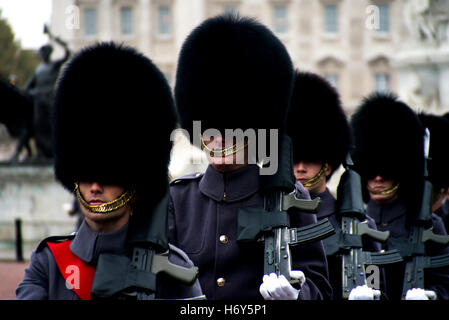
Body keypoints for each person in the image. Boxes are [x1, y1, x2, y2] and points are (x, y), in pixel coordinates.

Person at [16, 42, 203, 300]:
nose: (95, 186)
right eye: (85, 174)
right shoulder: (48, 262)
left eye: (110, 177)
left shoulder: (173, 269)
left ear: (135, 186)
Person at [169, 14, 332, 300]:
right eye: (210, 128)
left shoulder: (291, 198)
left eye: (230, 129)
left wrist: (298, 295)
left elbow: (320, 288)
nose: (218, 138)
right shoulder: (178, 199)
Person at [287, 71, 385, 300]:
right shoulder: (273, 219)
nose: (300, 168)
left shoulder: (360, 225)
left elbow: (376, 282)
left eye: (310, 160)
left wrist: (373, 295)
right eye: (293, 160)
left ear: (328, 166)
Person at [350, 92, 449, 300]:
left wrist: (433, 296)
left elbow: (445, 282)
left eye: (387, 170)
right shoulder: (353, 222)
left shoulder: (429, 225)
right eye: (371, 169)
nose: (377, 177)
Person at [24, 29, 71, 160]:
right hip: (38, 100)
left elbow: (67, 53)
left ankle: (56, 151)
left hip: (49, 99)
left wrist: (53, 37)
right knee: (38, 125)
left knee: (52, 125)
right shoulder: (39, 69)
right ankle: (41, 152)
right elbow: (28, 86)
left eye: (44, 52)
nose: (43, 55)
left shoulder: (54, 66)